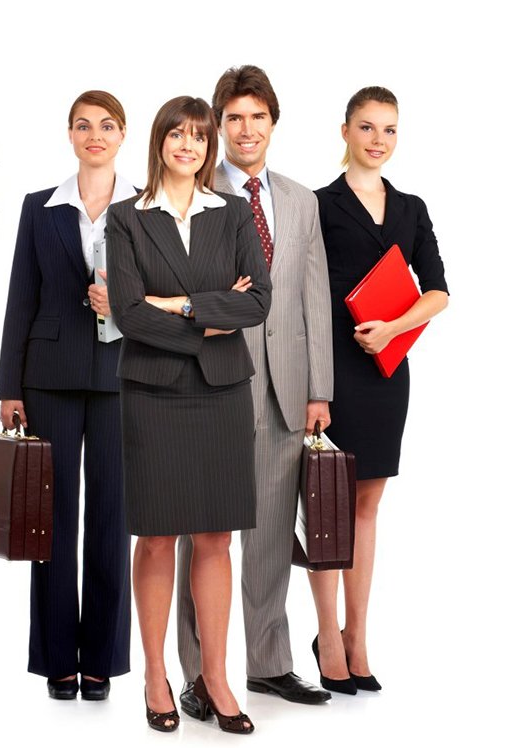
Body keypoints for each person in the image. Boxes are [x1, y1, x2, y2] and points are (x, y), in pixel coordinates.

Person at [106, 96, 271, 734]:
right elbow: (126, 311)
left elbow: (257, 298)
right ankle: (155, 676)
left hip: (223, 392)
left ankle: (216, 677)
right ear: (160, 142)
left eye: (199, 138)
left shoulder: (229, 214)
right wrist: (206, 315)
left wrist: (177, 304)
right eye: (177, 135)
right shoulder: (126, 218)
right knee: (155, 537)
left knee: (215, 537)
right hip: (152, 392)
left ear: (208, 149)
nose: (189, 147)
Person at [176, 65, 334, 711]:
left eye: (256, 117)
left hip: (283, 389)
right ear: (218, 125)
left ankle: (269, 663)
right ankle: (197, 674)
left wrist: (318, 389)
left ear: (273, 123)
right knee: (200, 533)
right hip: (207, 385)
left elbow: (313, 299)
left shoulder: (301, 201)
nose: (245, 129)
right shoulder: (188, 192)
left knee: (270, 535)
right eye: (233, 118)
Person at [0, 91, 134, 701]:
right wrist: (8, 385)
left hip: (124, 377)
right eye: (84, 125)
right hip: (48, 377)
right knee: (50, 524)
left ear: (123, 135)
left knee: (111, 519)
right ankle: (57, 657)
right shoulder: (39, 208)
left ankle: (101, 657)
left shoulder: (145, 209)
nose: (94, 134)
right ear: (69, 134)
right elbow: (21, 296)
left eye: (106, 125)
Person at [310, 86, 449, 693]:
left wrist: (393, 326)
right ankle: (326, 636)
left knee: (366, 508)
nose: (377, 140)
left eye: (389, 130)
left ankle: (358, 635)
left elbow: (438, 290)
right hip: (331, 371)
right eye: (366, 127)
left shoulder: (412, 208)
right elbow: (302, 295)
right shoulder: (318, 204)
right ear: (344, 132)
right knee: (326, 509)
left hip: (387, 368)